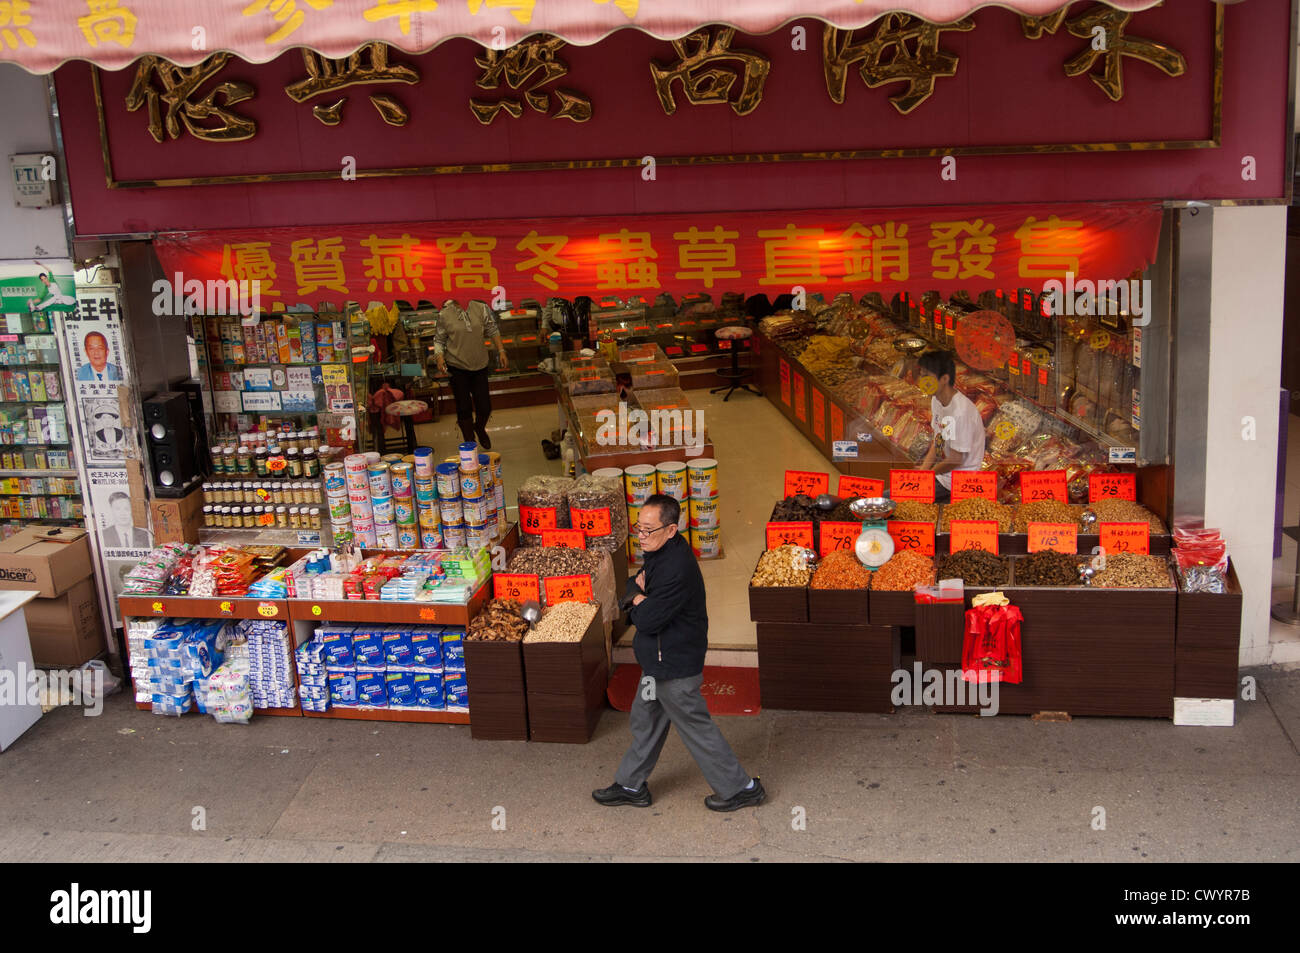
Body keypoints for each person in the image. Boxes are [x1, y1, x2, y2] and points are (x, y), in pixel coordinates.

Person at [593, 494, 765, 812]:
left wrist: (640, 600)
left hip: (673, 667)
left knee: (696, 727)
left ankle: (741, 788)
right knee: (646, 719)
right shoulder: (661, 550)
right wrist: (639, 595)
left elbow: (647, 619)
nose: (641, 536)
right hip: (656, 664)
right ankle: (631, 784)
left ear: (671, 530)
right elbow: (631, 587)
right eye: (638, 528)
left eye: (648, 530)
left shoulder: (675, 568)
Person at [432, 299, 508, 449]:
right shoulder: (445, 314)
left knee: (485, 407)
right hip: (457, 366)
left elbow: (492, 329)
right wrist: (439, 357)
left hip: (480, 365)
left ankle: (479, 428)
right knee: (463, 407)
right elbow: (439, 340)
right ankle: (469, 442)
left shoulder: (481, 308)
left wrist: (501, 351)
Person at [917, 350, 986, 504]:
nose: (922, 381)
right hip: (942, 477)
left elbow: (956, 459)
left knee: (895, 500)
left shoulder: (961, 412)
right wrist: (923, 471)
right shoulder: (937, 400)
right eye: (921, 375)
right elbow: (939, 439)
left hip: (960, 484)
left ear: (944, 379)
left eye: (926, 376)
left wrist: (928, 476)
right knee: (894, 496)